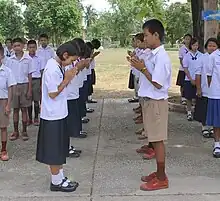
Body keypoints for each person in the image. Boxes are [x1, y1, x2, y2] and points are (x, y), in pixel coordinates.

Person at [130, 19, 171, 191]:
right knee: (154, 139)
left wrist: (143, 69)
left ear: (156, 35)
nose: (144, 39)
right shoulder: (153, 54)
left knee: (158, 141)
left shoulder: (161, 57)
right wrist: (139, 65)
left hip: (156, 102)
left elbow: (158, 83)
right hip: (150, 101)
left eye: (146, 35)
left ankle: (162, 178)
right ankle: (158, 172)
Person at [36, 42, 79, 192]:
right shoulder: (52, 69)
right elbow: (53, 93)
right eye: (72, 60)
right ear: (65, 55)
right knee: (54, 151)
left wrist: (67, 77)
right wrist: (67, 79)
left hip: (59, 113)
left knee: (60, 148)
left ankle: (60, 177)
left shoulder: (58, 66)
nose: (72, 63)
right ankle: (56, 182)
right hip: (52, 116)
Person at [6, 38, 34, 141]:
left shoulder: (28, 60)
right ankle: (15, 131)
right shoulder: (10, 60)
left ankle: (24, 131)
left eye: (19, 45)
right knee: (15, 110)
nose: (17, 48)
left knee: (24, 109)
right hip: (14, 86)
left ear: (23, 46)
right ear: (12, 47)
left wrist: (29, 90)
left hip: (25, 85)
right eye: (14, 46)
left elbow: (30, 75)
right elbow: (8, 76)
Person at [194, 38, 218, 138]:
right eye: (210, 45)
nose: (212, 48)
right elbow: (198, 74)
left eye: (214, 46)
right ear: (206, 47)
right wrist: (198, 88)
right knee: (204, 108)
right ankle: (204, 127)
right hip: (205, 88)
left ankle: (213, 127)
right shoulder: (202, 58)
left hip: (215, 90)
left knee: (213, 110)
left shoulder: (217, 58)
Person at [0, 46, 17, 161]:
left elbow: (11, 88)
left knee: (3, 127)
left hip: (3, 100)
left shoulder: (7, 71)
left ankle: (4, 149)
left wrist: (8, 105)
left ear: (2, 56)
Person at [183, 38, 203, 121]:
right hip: (189, 79)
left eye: (197, 45)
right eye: (194, 45)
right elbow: (185, 68)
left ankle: (197, 112)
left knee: (198, 97)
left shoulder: (201, 55)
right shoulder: (187, 56)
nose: (195, 47)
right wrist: (190, 78)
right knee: (189, 97)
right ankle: (189, 112)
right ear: (191, 46)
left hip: (199, 79)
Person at [206, 45, 220, 158]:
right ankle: (217, 144)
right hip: (216, 93)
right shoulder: (213, 56)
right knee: (217, 121)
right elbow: (209, 76)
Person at [27, 40, 44, 126]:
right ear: (27, 48)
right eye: (30, 47)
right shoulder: (26, 58)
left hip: (37, 80)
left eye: (33, 47)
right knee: (28, 101)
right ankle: (29, 118)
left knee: (36, 101)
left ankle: (36, 118)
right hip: (27, 81)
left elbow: (42, 72)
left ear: (36, 48)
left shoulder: (40, 58)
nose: (32, 49)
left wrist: (41, 84)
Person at [176, 34, 192, 105]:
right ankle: (183, 98)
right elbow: (181, 59)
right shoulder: (182, 49)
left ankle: (189, 97)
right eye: (186, 39)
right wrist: (185, 68)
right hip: (183, 69)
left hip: (191, 70)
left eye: (189, 39)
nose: (187, 40)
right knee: (182, 84)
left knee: (188, 84)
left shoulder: (192, 48)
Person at [88, 39, 101, 103]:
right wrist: (94, 55)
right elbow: (88, 60)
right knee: (89, 84)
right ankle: (88, 99)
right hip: (89, 69)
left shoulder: (91, 49)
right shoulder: (89, 48)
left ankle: (89, 98)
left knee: (91, 83)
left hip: (91, 68)